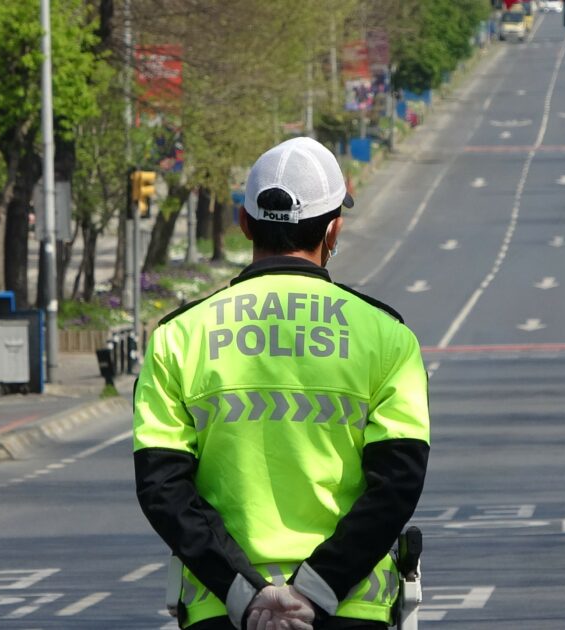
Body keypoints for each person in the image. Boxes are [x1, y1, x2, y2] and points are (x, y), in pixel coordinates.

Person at [133, 136, 431, 630]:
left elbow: (162, 487)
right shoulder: (388, 338)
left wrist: (243, 594)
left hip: (222, 612)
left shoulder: (178, 337)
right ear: (333, 230)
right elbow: (397, 484)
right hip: (350, 608)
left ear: (244, 222)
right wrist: (317, 589)